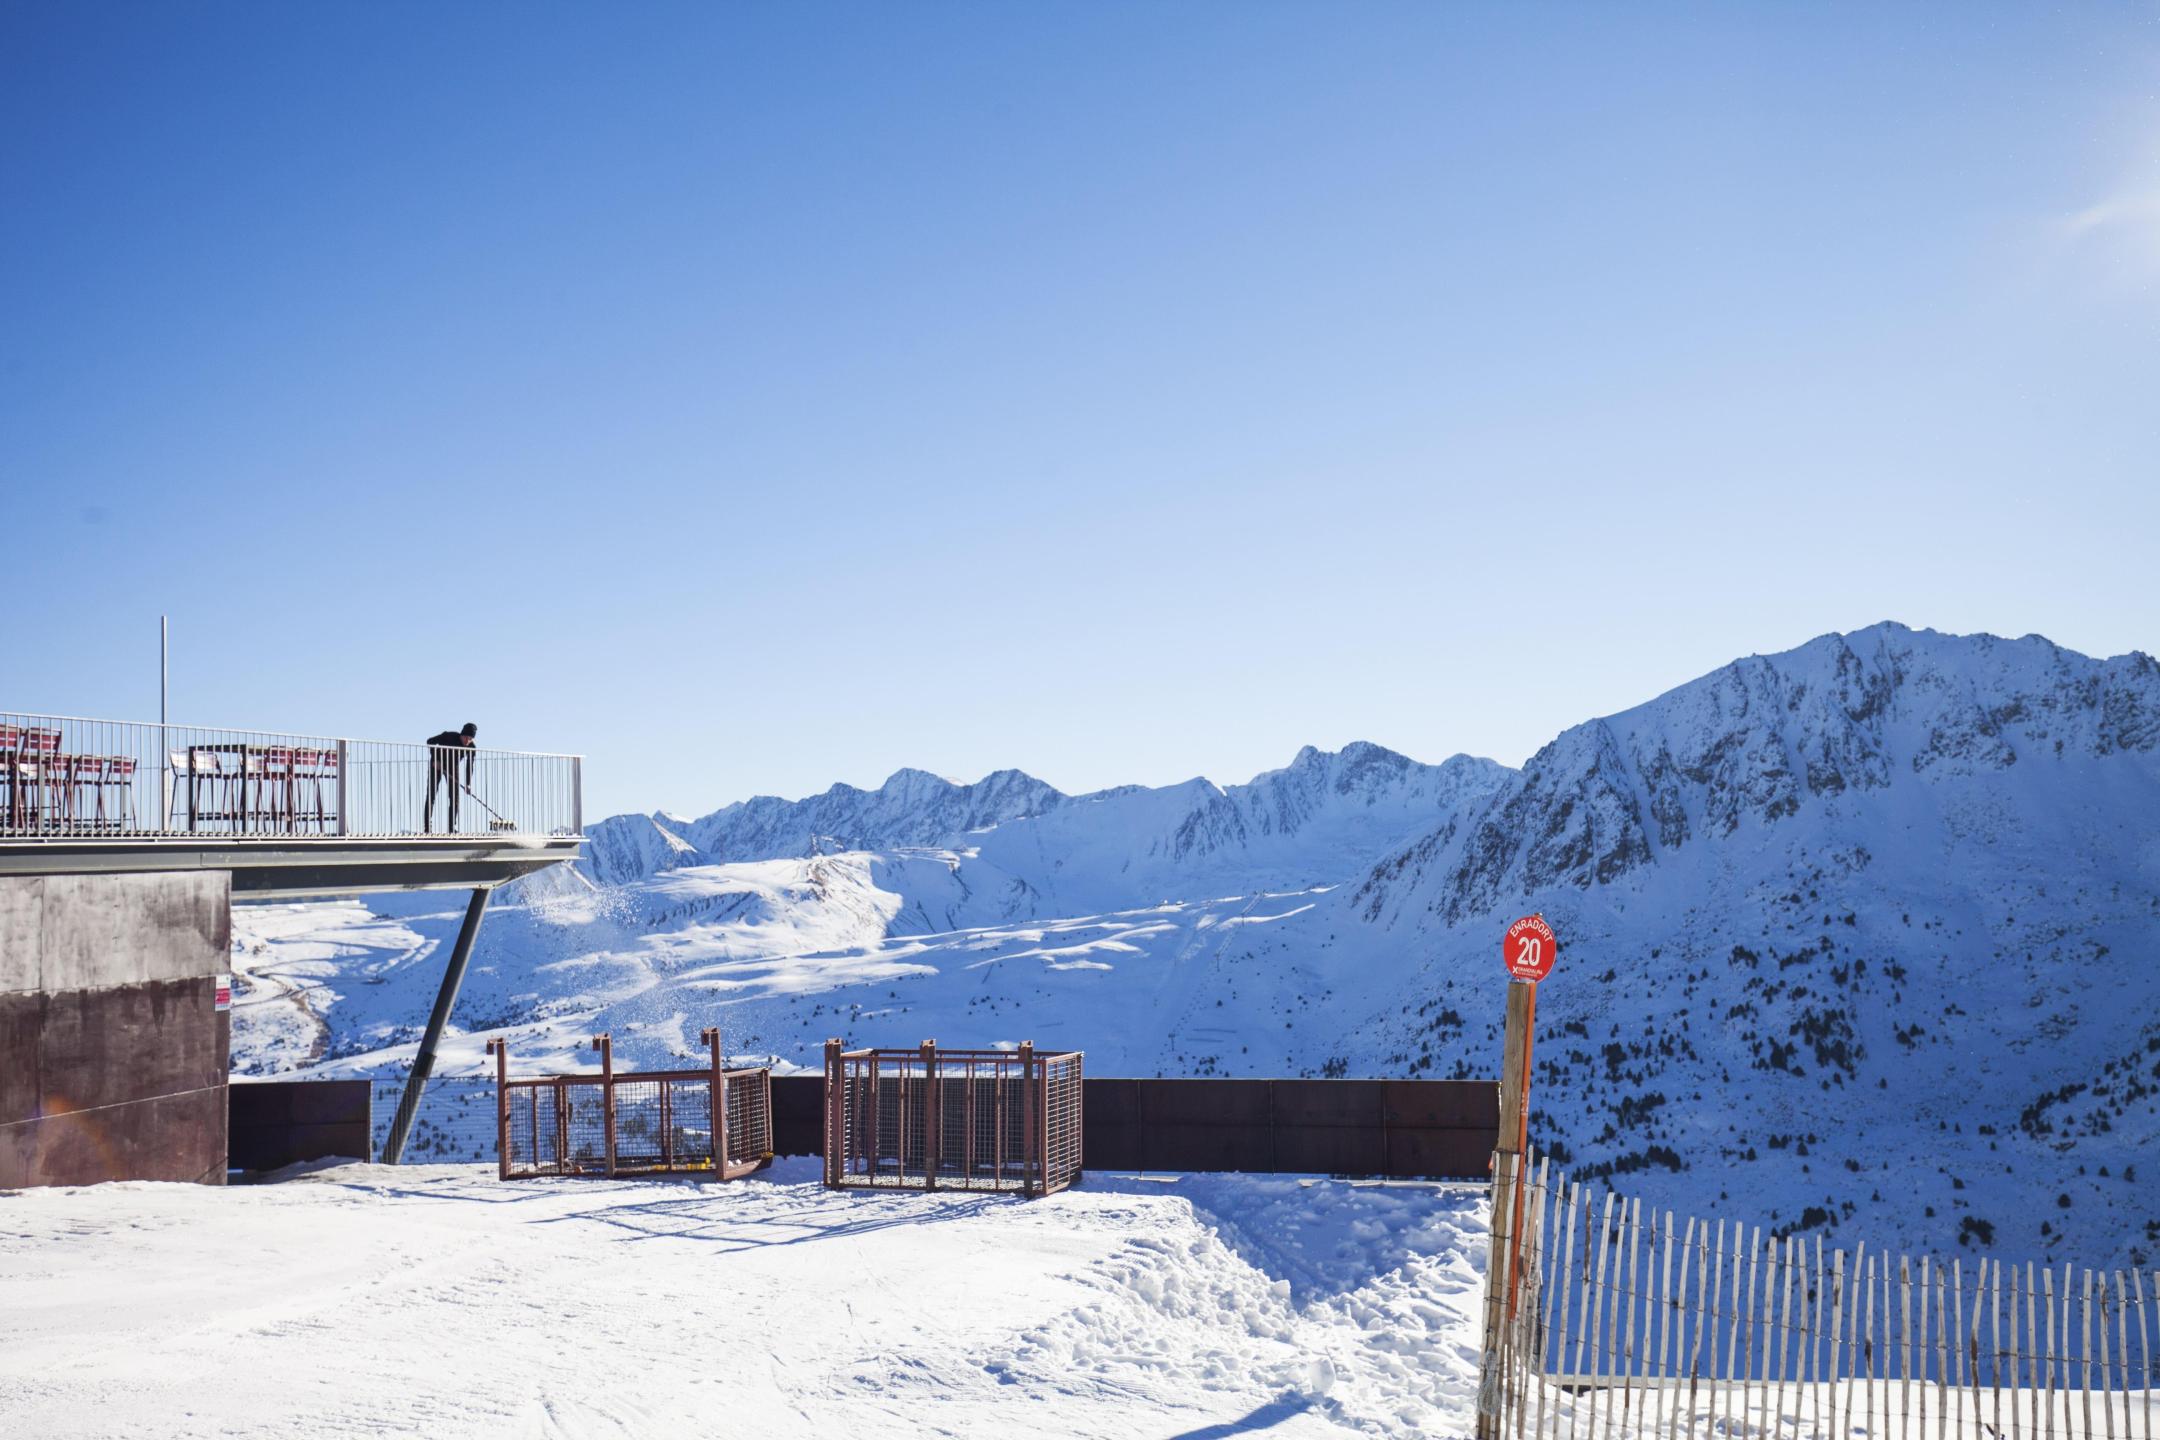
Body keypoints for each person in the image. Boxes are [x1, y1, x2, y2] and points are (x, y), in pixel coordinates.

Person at [424, 723, 477, 832]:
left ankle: (451, 827)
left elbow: (469, 765)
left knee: (455, 798)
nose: (467, 741)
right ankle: (427, 827)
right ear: (461, 735)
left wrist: (468, 783)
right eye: (466, 737)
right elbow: (429, 741)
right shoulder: (449, 736)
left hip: (453, 767)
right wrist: (435, 759)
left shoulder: (472, 747)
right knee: (431, 795)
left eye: (470, 739)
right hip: (437, 765)